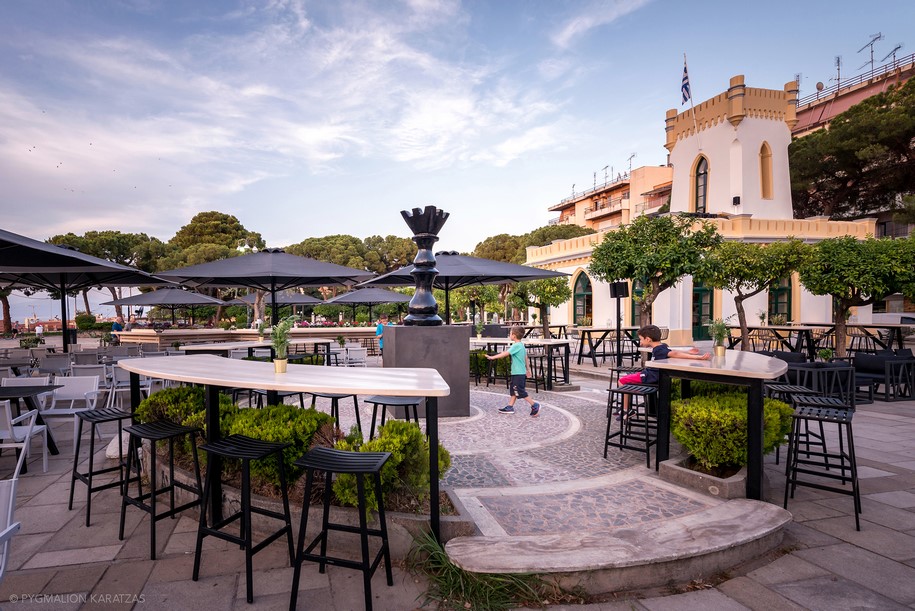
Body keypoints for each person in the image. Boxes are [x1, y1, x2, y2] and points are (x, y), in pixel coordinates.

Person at [615, 324, 711, 420]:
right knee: (628, 379)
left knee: (622, 381)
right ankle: (626, 405)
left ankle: (627, 410)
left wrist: (698, 357)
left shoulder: (658, 350)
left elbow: (674, 353)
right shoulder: (662, 346)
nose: (640, 342)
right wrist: (688, 352)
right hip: (650, 374)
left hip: (649, 376)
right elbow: (672, 351)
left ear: (648, 339)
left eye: (641, 339)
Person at [486, 325, 541, 417]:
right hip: (518, 373)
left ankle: (534, 405)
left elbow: (505, 353)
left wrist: (492, 357)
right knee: (513, 390)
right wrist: (528, 369)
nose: (509, 335)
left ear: (514, 335)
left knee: (520, 391)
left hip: (518, 373)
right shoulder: (521, 346)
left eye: (510, 333)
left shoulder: (516, 346)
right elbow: (525, 358)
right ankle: (510, 407)